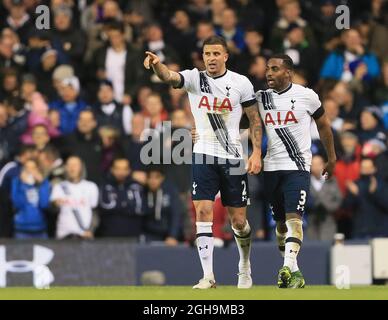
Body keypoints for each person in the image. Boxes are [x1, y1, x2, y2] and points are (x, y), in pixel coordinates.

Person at [144, 35, 262, 289]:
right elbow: (170, 77)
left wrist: (256, 152)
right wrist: (157, 65)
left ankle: (244, 265)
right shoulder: (195, 79)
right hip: (204, 153)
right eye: (207, 54)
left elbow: (254, 119)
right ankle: (208, 276)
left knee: (239, 221)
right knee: (203, 211)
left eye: (216, 54)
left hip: (232, 157)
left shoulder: (240, 83)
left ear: (225, 56)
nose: (211, 58)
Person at [257, 54, 336, 288]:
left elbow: (323, 125)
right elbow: (243, 122)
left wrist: (331, 156)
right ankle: (296, 273)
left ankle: (285, 265)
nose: (268, 73)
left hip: (297, 167)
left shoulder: (307, 96)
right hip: (270, 168)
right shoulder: (261, 99)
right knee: (280, 225)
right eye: (267, 69)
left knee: (295, 219)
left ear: (288, 72)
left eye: (274, 69)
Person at [50, 156, 99, 239]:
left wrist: (91, 230)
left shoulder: (91, 186)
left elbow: (95, 212)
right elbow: (52, 211)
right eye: (69, 165)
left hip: (84, 235)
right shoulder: (59, 187)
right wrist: (55, 205)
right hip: (63, 234)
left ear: (81, 167)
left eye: (75, 165)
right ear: (65, 168)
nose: (72, 168)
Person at [97, 157, 143, 238]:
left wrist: (118, 204)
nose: (121, 172)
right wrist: (126, 205)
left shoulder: (136, 186)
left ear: (129, 170)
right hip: (108, 236)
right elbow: (104, 208)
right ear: (112, 169)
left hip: (133, 236)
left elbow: (140, 209)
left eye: (124, 169)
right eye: (118, 168)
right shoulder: (104, 186)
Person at [11, 159, 50, 239]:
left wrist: (42, 183)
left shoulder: (43, 183)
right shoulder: (17, 182)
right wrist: (25, 185)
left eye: (33, 168)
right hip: (22, 229)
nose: (30, 171)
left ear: (37, 170)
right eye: (27, 168)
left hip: (40, 228)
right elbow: (17, 204)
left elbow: (44, 204)